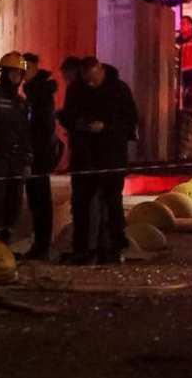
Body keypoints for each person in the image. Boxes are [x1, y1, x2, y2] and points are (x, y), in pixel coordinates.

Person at [58, 57, 139, 265]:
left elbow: (130, 120)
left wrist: (106, 126)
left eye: (93, 78)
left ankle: (113, 247)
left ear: (100, 70)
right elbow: (69, 115)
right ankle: (82, 248)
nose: (91, 83)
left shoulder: (118, 90)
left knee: (112, 203)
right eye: (87, 79)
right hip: (84, 157)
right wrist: (79, 124)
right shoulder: (77, 89)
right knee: (81, 204)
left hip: (111, 155)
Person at [0, 51, 34, 243]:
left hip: (15, 159)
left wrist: (27, 160)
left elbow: (26, 134)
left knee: (14, 201)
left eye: (19, 73)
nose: (16, 77)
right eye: (12, 72)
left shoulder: (21, 103)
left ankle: (4, 241)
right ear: (4, 73)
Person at [22, 52, 60, 261]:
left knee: (40, 200)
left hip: (39, 154)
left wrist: (33, 151)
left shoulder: (39, 94)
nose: (24, 72)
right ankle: (40, 244)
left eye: (27, 68)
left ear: (35, 68)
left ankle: (41, 246)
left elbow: (42, 127)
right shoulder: (35, 91)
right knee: (37, 200)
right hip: (38, 152)